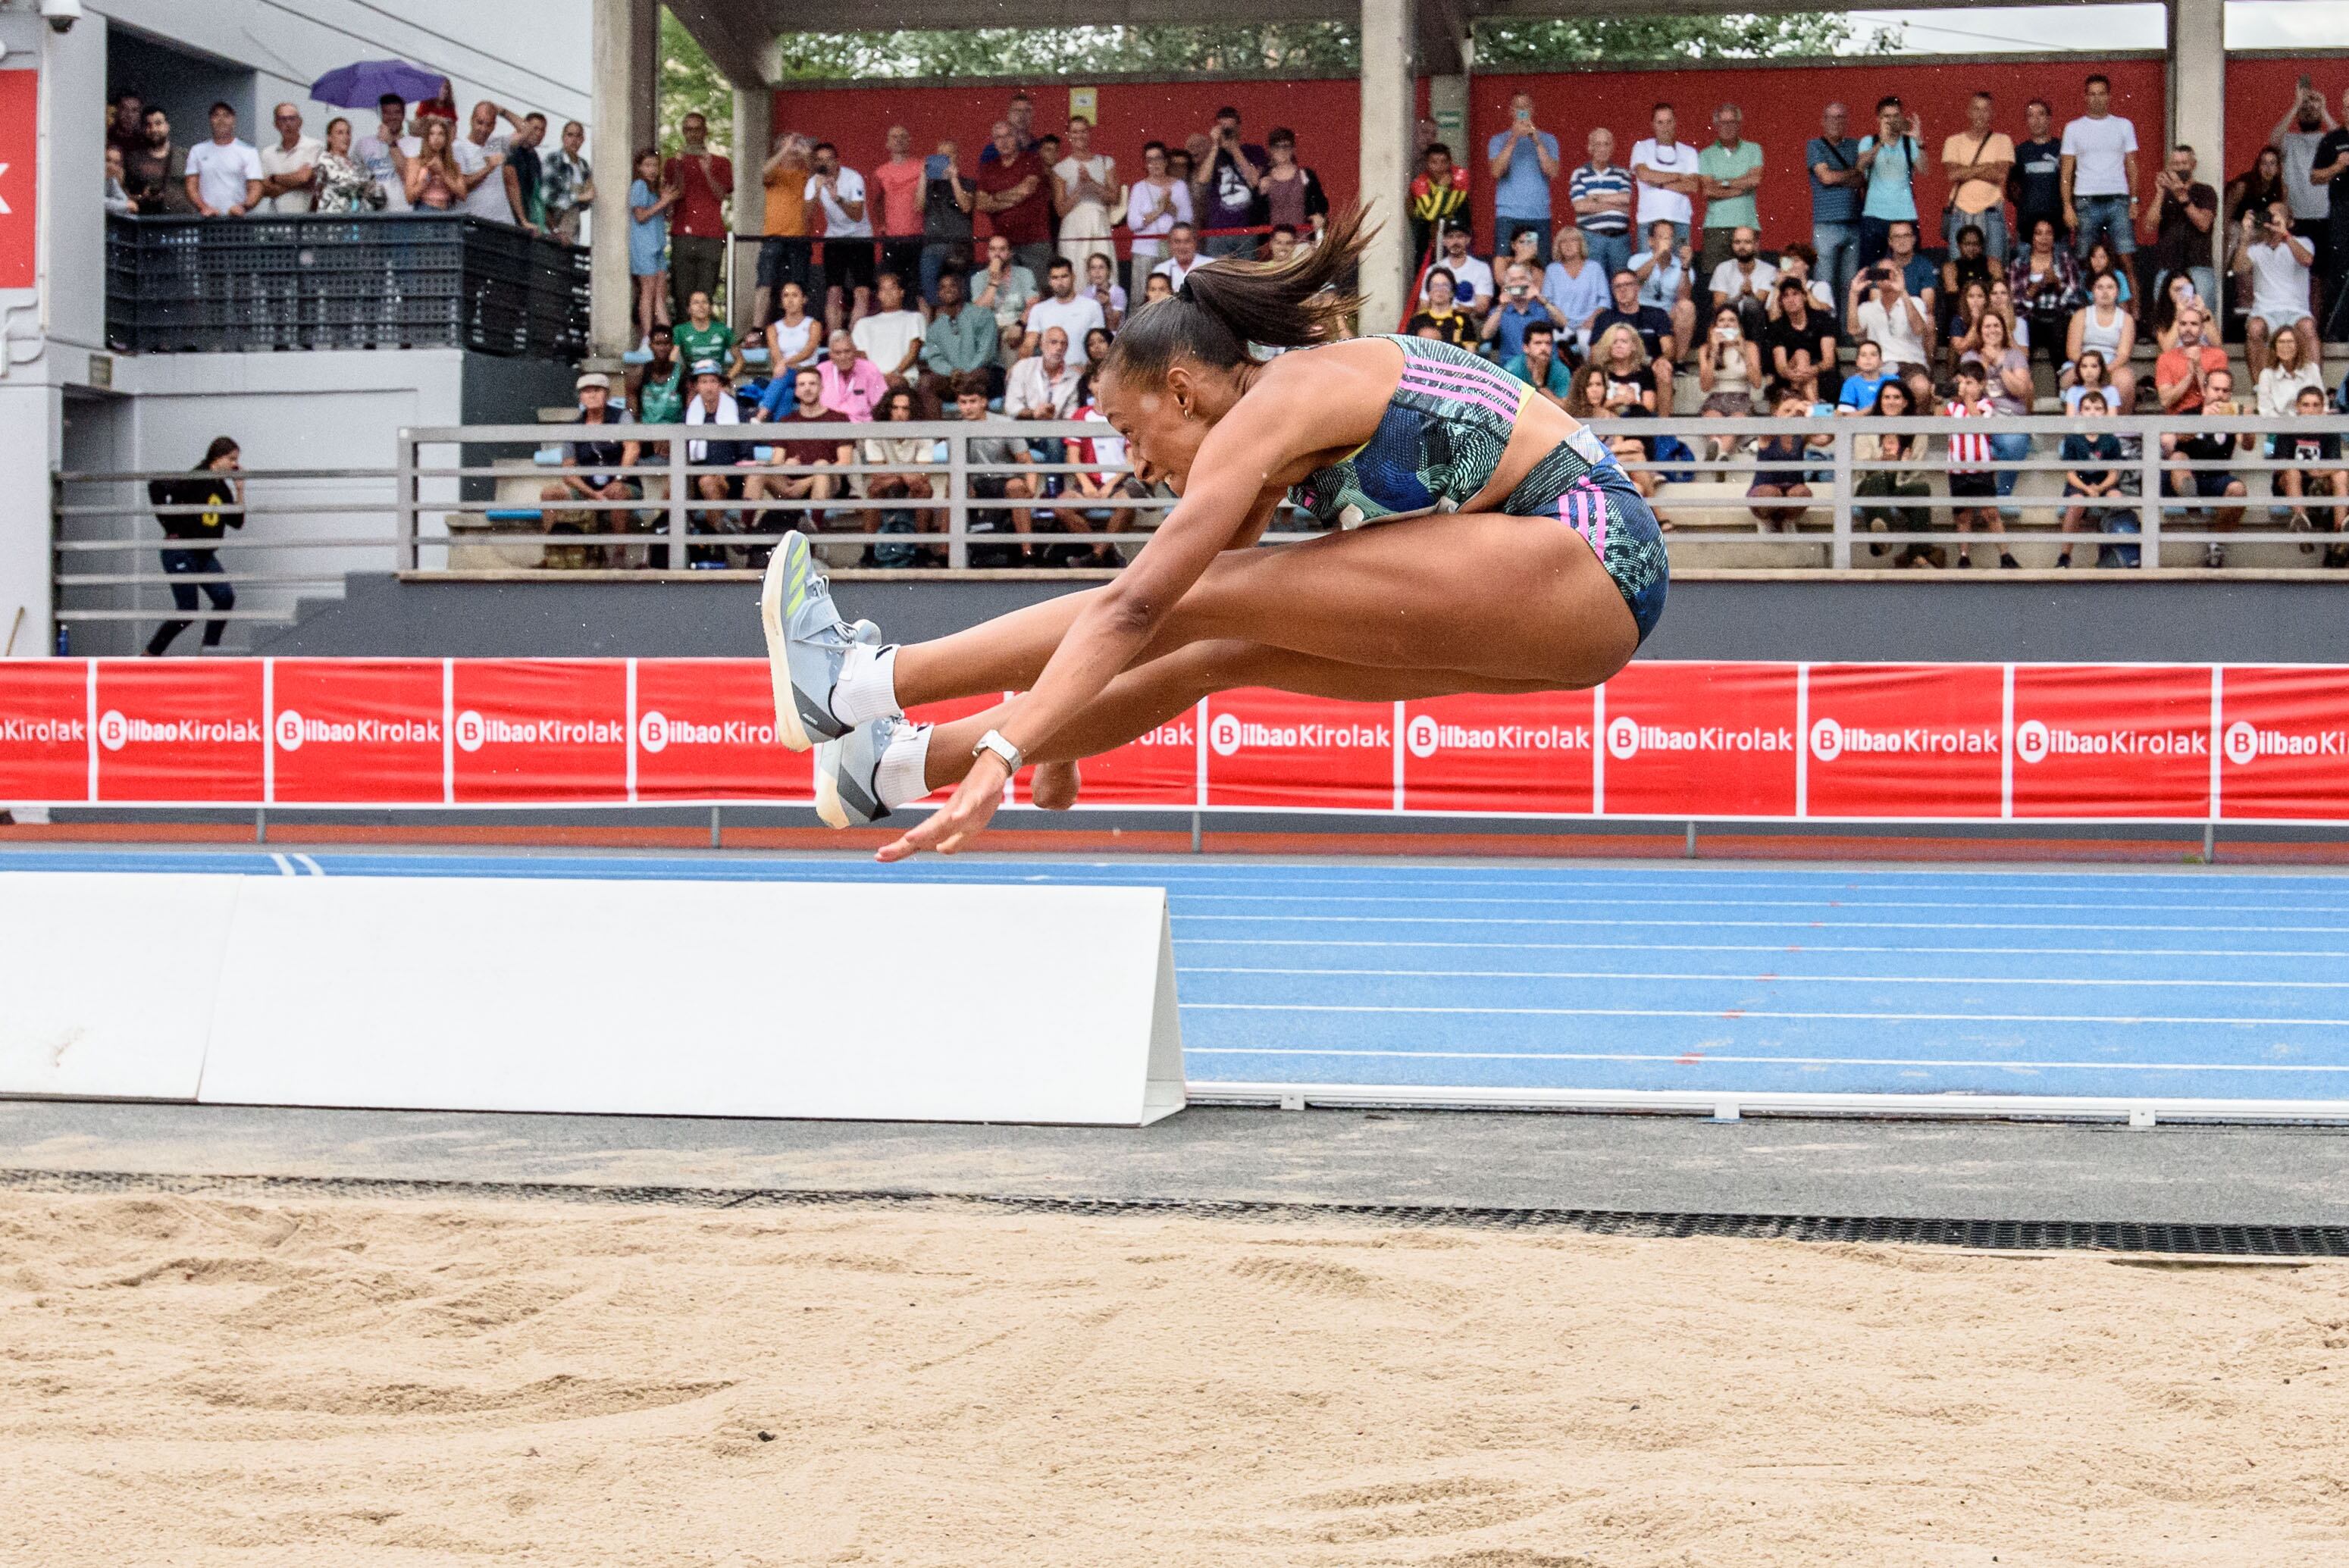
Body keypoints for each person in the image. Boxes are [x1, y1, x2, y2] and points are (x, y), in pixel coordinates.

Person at [755, 211, 1668, 853]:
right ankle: (895, 767)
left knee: (1200, 601)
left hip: (1589, 548)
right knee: (1219, 649)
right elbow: (1158, 637)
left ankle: (853, 683)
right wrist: (1055, 738)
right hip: (1574, 617)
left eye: (1130, 432)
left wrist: (1012, 747)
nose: (1137, 466)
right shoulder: (1272, 462)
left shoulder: (1287, 398)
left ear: (1184, 391)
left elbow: (1140, 601)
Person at [143, 437, 243, 657]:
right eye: (231, 459)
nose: (235, 465)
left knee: (225, 598)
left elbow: (237, 522)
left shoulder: (221, 488)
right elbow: (156, 486)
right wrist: (169, 524)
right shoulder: (196, 478)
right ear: (217, 459)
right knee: (188, 609)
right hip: (182, 550)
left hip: (203, 554)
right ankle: (150, 654)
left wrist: (240, 490)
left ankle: (209, 653)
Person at [539, 373, 640, 569]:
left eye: (597, 390)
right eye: (586, 391)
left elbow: (632, 448)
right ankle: (552, 553)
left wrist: (619, 478)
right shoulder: (574, 427)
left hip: (622, 483)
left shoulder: (621, 417)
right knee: (550, 493)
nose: (592, 395)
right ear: (580, 398)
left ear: (607, 395)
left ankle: (619, 554)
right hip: (587, 487)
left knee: (617, 493)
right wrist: (591, 493)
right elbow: (568, 470)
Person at [750, 365, 851, 545]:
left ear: (821, 388)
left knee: (822, 465)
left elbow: (845, 462)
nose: (807, 388)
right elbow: (776, 462)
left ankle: (814, 527)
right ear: (796, 390)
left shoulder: (838, 419)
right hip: (791, 484)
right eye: (802, 384)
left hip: (827, 483)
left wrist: (808, 480)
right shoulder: (786, 422)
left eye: (812, 384)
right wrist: (786, 466)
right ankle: (745, 532)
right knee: (758, 471)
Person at [2162, 365, 2251, 566]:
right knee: (2178, 457)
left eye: (2225, 391)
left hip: (2215, 479)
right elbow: (2181, 437)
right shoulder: (2189, 414)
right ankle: (2191, 501)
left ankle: (2216, 545)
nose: (2220, 395)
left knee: (2238, 490)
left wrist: (2247, 424)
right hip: (2182, 478)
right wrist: (2204, 419)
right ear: (2205, 390)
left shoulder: (2233, 415)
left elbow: (2248, 445)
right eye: (2215, 389)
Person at [1943, 365, 2019, 568]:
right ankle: (1964, 556)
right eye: (1962, 383)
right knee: (1963, 515)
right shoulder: (1951, 408)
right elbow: (1938, 418)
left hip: (1981, 469)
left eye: (1970, 383)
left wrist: (1967, 398)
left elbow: (1979, 422)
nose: (1965, 387)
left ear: (1981, 385)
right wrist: (1938, 397)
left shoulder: (1986, 405)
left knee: (1991, 513)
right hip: (1958, 470)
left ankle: (2005, 555)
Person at [1854, 379, 1934, 563]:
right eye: (1886, 397)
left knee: (1922, 489)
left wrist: (1900, 465)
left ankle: (1917, 554)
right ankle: (1885, 538)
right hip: (1871, 483)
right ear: (1880, 401)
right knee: (1879, 477)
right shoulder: (1867, 427)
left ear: (1905, 402)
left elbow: (1916, 469)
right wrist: (1882, 462)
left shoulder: (1918, 431)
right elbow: (1861, 464)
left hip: (1901, 482)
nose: (1891, 402)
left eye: (1896, 397)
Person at [2062, 75, 2139, 263]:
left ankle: (2133, 294)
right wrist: (2067, 206)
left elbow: (2132, 166)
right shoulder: (2073, 128)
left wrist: (2135, 200)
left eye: (2101, 94)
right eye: (2092, 94)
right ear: (2085, 97)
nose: (2097, 98)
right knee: (2086, 261)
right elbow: (2066, 172)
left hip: (2118, 200)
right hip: (2085, 201)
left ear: (2109, 96)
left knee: (2126, 259)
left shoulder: (2124, 126)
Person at [2235, 199, 2316, 377]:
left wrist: (2285, 235)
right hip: (2264, 312)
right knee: (2255, 328)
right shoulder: (2256, 248)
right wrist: (2245, 239)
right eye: (2269, 215)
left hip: (2296, 311)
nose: (2272, 219)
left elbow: (2307, 260)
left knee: (2308, 327)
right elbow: (2239, 269)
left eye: (2277, 215)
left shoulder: (2302, 242)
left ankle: (2314, 385)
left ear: (2290, 222)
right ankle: (2260, 387)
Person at [664, 112, 733, 320]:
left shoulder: (721, 162)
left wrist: (707, 170)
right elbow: (677, 193)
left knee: (706, 292)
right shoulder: (672, 162)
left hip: (711, 233)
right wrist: (678, 166)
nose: (692, 134)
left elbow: (722, 195)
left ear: (705, 131)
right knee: (682, 291)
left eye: (696, 129)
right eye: (687, 129)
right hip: (683, 233)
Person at [1963, 308, 2034, 510]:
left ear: (2004, 329)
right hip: (1980, 417)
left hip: (2010, 419)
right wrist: (1984, 365)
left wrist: (2000, 365)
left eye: (1997, 325)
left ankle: (2002, 495)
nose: (1992, 330)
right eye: (1987, 326)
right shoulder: (1970, 356)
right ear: (1980, 331)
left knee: (2015, 443)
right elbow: (1971, 393)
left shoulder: (2015, 356)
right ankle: (1979, 500)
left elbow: (2020, 391)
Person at [2140, 143, 2218, 319]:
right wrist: (2160, 193)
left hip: (2199, 264)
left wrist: (2183, 198)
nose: (2180, 167)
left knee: (2204, 318)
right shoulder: (2164, 194)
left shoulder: (2205, 191)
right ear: (2169, 166)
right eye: (2176, 164)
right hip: (2167, 264)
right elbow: (2148, 226)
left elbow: (2204, 224)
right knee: (2165, 319)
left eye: (2184, 163)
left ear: (2193, 165)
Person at [2275, 384, 2349, 564]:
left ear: (2322, 407)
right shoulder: (2288, 430)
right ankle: (2302, 528)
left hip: (2321, 485)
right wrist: (2307, 468)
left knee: (2341, 475)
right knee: (2292, 472)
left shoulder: (2329, 433)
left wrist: (2319, 471)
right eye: (2306, 405)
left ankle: (2340, 534)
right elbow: (2281, 465)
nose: (2311, 410)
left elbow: (2335, 465)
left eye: (2316, 405)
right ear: (2297, 408)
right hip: (2292, 484)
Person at [2055, 387, 2126, 568]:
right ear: (2080, 412)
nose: (2092, 413)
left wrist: (2100, 488)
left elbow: (2113, 473)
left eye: (2097, 409)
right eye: (2087, 409)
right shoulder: (2073, 439)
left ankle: (2111, 554)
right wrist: (2088, 489)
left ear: (2105, 412)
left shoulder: (2111, 440)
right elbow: (2070, 474)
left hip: (2104, 483)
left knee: (2116, 499)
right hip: (2081, 483)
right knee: (2076, 503)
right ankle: (2064, 556)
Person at [1487, 92, 1561, 265]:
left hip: (1539, 214)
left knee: (1539, 266)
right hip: (1508, 214)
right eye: (1518, 107)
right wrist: (1513, 138)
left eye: (1526, 107)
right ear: (1510, 111)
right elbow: (1497, 171)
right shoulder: (1498, 140)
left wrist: (1536, 141)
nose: (1522, 111)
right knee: (1505, 266)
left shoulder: (1548, 140)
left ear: (1532, 110)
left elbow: (1552, 172)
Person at [807, 140, 874, 330]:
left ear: (837, 162)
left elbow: (857, 215)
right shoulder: (813, 182)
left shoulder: (854, 178)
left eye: (829, 159)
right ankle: (836, 339)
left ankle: (854, 338)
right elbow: (807, 217)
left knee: (862, 292)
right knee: (833, 292)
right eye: (820, 160)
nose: (825, 164)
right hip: (834, 239)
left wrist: (838, 199)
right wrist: (818, 190)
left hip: (861, 237)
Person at [1940, 91, 2014, 263]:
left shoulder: (2003, 140)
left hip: (1992, 211)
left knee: (1995, 267)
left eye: (1985, 110)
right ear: (1968, 112)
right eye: (1976, 109)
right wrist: (1987, 167)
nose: (1980, 114)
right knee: (1959, 266)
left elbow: (2000, 175)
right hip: (1960, 211)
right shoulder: (1953, 141)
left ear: (1992, 113)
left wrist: (1966, 170)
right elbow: (1953, 174)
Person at [975, 119, 1053, 280]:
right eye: (998, 137)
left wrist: (995, 197)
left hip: (1035, 242)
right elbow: (981, 203)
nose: (1003, 141)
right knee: (1008, 296)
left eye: (1008, 135)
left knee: (1037, 294)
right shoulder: (987, 168)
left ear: (1017, 137)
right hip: (1003, 245)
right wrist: (1013, 197)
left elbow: (1026, 190)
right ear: (993, 142)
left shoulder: (1032, 159)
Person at [1590, 269, 1678, 406]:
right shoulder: (1604, 319)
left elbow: (1669, 348)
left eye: (1628, 285)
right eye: (1618, 286)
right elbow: (1595, 354)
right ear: (1613, 291)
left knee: (1664, 368)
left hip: (1649, 365)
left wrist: (1661, 360)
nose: (1623, 289)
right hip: (1614, 366)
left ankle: (1663, 424)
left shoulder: (1656, 314)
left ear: (1637, 287)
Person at [756, 132, 819, 325]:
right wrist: (785, 149)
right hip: (773, 237)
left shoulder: (804, 173)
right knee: (765, 284)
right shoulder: (775, 173)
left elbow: (817, 172)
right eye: (787, 146)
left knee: (798, 286)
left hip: (799, 238)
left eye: (794, 147)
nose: (792, 150)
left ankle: (797, 326)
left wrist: (805, 152)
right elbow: (764, 172)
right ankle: (756, 328)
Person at [1806, 102, 1864, 311]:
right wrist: (1852, 172)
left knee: (1850, 286)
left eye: (1841, 118)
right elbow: (1825, 177)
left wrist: (1839, 175)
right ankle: (1827, 337)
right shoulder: (1815, 145)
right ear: (1823, 121)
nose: (1836, 122)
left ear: (1847, 121)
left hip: (1853, 223)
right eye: (1831, 118)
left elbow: (1861, 181)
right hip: (1825, 224)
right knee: (1824, 285)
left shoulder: (1856, 145)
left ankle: (1847, 337)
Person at [1696, 104, 1764, 279]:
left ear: (1739, 123)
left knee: (1750, 281)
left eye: (1732, 122)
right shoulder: (1706, 155)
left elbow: (1755, 180)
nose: (1727, 127)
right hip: (1715, 227)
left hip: (1747, 224)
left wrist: (1723, 183)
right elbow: (1708, 190)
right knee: (1716, 282)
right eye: (1723, 122)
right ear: (1716, 125)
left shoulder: (1754, 149)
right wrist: (1741, 187)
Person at [1856, 96, 1922, 268]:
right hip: (1875, 215)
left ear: (1901, 118)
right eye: (1887, 116)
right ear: (1878, 119)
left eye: (1896, 116)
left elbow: (1924, 170)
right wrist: (1882, 142)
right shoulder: (1869, 141)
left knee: (1909, 267)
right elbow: (1861, 166)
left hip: (1905, 213)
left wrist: (1919, 141)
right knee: (1872, 270)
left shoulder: (1909, 143)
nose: (1892, 120)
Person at [918, 271, 1001, 407]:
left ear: (961, 289)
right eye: (943, 287)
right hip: (952, 377)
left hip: (983, 373)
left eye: (952, 286)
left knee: (977, 376)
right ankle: (933, 429)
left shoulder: (982, 315)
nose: (948, 290)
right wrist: (952, 372)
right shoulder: (935, 328)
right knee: (926, 383)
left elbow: (986, 353)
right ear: (938, 293)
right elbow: (935, 359)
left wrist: (967, 372)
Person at [2009, 218, 2082, 369]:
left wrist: (2057, 284)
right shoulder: (2019, 264)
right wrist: (2033, 290)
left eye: (2049, 233)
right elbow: (2015, 303)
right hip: (2030, 317)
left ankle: (2063, 388)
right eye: (2039, 233)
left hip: (2058, 316)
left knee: (2060, 334)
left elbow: (2075, 297)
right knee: (2020, 329)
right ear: (2032, 237)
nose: (2044, 238)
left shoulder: (2066, 261)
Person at [1196, 107, 1267, 259]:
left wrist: (1234, 149)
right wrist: (1216, 145)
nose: (1227, 132)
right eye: (1224, 128)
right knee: (1217, 278)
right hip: (1218, 230)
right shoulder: (1213, 154)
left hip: (1246, 230)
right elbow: (1202, 179)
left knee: (1246, 278)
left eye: (1231, 128)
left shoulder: (1254, 151)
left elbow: (1254, 181)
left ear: (1239, 128)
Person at [1564, 127, 1634, 283]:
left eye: (1607, 144)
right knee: (1593, 285)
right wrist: (1614, 205)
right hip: (1591, 238)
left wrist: (1596, 198)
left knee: (1622, 284)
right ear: (1590, 148)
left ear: (1612, 147)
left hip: (1619, 239)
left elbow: (1626, 200)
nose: (1602, 149)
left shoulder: (1622, 174)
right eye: (1598, 144)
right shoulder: (1579, 173)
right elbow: (1581, 207)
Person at [1051, 116, 1120, 274]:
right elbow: (1060, 210)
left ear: (1089, 133)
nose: (1079, 136)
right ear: (1068, 135)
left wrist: (1091, 183)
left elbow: (1115, 198)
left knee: (1103, 272)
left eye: (1083, 131)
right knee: (1076, 272)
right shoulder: (1061, 169)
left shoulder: (1105, 162)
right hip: (1073, 227)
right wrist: (1080, 188)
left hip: (1099, 223)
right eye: (1075, 132)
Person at [1125, 142, 1192, 302]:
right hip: (1144, 252)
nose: (1154, 164)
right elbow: (1133, 223)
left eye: (1158, 158)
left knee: (1174, 296)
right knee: (1141, 298)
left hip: (1172, 250)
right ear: (1145, 164)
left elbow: (1187, 219)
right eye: (1150, 160)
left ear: (1166, 161)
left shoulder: (1180, 186)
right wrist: (1159, 210)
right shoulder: (1139, 188)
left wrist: (1169, 207)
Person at [2064, 270, 2138, 410]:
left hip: (2112, 364)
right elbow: (2072, 351)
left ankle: (2118, 429)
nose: (2105, 292)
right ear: (2092, 292)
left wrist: (2103, 370)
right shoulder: (2081, 315)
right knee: (2071, 378)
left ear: (2117, 292)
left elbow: (2123, 354)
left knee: (2126, 379)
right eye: (2100, 287)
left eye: (2110, 287)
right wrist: (2090, 367)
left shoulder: (2126, 319)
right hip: (2083, 362)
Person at [1630, 103, 1701, 250]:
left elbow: (1692, 186)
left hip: (1680, 221)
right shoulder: (1641, 148)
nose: (1665, 127)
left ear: (1675, 123)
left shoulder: (1689, 152)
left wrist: (1659, 183)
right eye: (1660, 122)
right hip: (1649, 221)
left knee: (1681, 267)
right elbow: (1644, 174)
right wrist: (1679, 176)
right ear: (1653, 125)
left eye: (1669, 122)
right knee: (1648, 269)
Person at [1746, 387, 1817, 532]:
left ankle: (1788, 521)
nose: (1794, 415)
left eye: (1798, 412)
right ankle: (1764, 521)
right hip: (1764, 492)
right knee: (1770, 494)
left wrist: (1815, 409)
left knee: (1803, 493)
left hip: (1791, 490)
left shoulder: (1802, 435)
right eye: (1786, 410)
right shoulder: (1768, 433)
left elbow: (1829, 428)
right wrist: (1795, 412)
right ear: (1775, 412)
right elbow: (1775, 429)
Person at [1696, 305, 1760, 462]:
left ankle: (1719, 451)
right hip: (1716, 397)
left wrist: (1743, 353)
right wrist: (1715, 352)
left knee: (1735, 421)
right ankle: (1720, 452)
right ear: (1715, 326)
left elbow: (1757, 383)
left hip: (1741, 398)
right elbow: (1705, 387)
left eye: (1732, 320)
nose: (1726, 324)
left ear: (1739, 325)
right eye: (1722, 320)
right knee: (1711, 417)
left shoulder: (1750, 347)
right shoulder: (1705, 349)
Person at [627, 149, 676, 343]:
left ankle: (665, 337)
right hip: (643, 245)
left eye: (655, 165)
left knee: (660, 296)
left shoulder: (655, 189)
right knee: (648, 292)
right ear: (639, 167)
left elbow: (667, 216)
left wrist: (667, 201)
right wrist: (663, 201)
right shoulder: (639, 185)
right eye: (647, 165)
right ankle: (647, 338)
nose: (652, 170)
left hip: (657, 245)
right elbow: (640, 216)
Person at [870, 124, 927, 290]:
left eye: (903, 136)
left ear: (910, 141)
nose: (899, 140)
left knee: (918, 289)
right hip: (892, 239)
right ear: (887, 143)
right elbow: (877, 202)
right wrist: (882, 225)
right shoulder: (880, 172)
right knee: (893, 286)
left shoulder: (922, 166)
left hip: (919, 236)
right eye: (894, 137)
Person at [1629, 219, 1697, 355]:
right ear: (1651, 241)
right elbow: (1634, 283)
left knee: (1687, 307)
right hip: (1641, 312)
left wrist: (1685, 267)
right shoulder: (1636, 260)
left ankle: (1678, 362)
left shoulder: (1682, 265)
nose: (1666, 241)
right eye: (1661, 237)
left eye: (1670, 237)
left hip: (1667, 314)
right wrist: (1657, 256)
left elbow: (1684, 298)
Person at [852, 271, 926, 396]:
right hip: (872, 377)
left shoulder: (914, 318)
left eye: (892, 288)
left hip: (902, 376)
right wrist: (877, 376)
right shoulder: (864, 323)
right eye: (883, 289)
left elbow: (913, 353)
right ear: (879, 295)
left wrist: (894, 374)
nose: (888, 293)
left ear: (901, 292)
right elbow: (861, 356)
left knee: (896, 384)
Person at [972, 233, 1040, 366]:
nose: (997, 254)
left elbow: (1033, 305)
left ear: (1010, 253)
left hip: (1016, 326)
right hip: (990, 329)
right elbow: (979, 312)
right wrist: (993, 282)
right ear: (987, 253)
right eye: (993, 249)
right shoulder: (978, 278)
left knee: (1011, 344)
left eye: (1002, 249)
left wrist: (1019, 325)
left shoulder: (1025, 274)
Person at [183, 102, 262, 218]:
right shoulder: (197, 151)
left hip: (238, 220)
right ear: (211, 120)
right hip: (207, 220)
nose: (221, 120)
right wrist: (204, 208)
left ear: (234, 120)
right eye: (216, 115)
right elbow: (191, 186)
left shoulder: (249, 152)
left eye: (226, 116)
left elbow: (256, 187)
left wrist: (243, 207)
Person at [2009, 98, 2066, 251]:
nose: (2036, 120)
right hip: (2027, 228)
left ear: (2049, 118)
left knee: (2061, 272)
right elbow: (2012, 189)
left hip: (2058, 228)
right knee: (2025, 274)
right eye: (2031, 115)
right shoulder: (2020, 152)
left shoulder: (2063, 149)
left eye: (2041, 114)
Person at [1765, 277, 1836, 395]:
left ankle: (1798, 396)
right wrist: (1791, 373)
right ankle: (1812, 407)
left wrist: (1812, 370)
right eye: (1785, 296)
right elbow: (1781, 366)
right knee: (1801, 354)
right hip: (1789, 376)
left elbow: (1829, 360)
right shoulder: (1777, 327)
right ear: (1781, 302)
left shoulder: (1822, 320)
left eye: (1795, 294)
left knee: (1805, 364)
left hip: (1821, 375)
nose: (1791, 300)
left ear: (1804, 297)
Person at [1258, 127, 1327, 249]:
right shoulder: (1264, 179)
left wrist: (1317, 214)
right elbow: (1256, 212)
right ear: (1271, 150)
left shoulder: (1306, 175)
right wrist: (1260, 193)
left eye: (1286, 146)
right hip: (1275, 244)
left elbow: (1322, 202)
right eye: (1277, 147)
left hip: (1303, 240)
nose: (1282, 151)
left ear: (1293, 149)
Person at [1542, 228, 1608, 352]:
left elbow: (1604, 302)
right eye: (1563, 242)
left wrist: (1591, 321)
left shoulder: (1595, 268)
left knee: (1587, 341)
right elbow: (1547, 302)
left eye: (1573, 241)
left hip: (1589, 325)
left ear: (1581, 244)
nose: (1568, 245)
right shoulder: (1552, 270)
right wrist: (1562, 323)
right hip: (1561, 326)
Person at [1026, 256, 1107, 357]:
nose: (1060, 282)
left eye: (1064, 276)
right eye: (1055, 278)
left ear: (1073, 277)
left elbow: (1099, 346)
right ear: (1049, 281)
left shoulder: (1093, 306)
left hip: (1083, 370)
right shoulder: (1038, 310)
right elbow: (1028, 346)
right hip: (1050, 370)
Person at [2155, 303, 2228, 414]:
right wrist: (2188, 377)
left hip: (2211, 417)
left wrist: (2198, 368)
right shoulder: (2165, 359)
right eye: (2183, 324)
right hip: (2178, 420)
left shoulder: (2218, 355)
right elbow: (2165, 401)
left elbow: (2218, 397)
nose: (2188, 329)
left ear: (2202, 329)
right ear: (2178, 327)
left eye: (2194, 324)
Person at [1408, 142, 1471, 268]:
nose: (1439, 167)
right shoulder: (1419, 182)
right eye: (1434, 162)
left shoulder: (1460, 175)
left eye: (1443, 162)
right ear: (1427, 164)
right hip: (1427, 228)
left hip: (1453, 221)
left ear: (1450, 163)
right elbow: (1431, 216)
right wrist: (1442, 188)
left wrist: (1439, 192)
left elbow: (1448, 208)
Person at [458, 100, 521, 227]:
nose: (484, 129)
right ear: (471, 120)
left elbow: (527, 131)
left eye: (489, 124)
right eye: (480, 122)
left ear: (494, 125)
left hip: (503, 222)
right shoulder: (459, 147)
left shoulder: (496, 143)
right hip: (474, 224)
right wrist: (490, 167)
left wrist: (502, 111)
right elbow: (462, 187)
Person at [1707, 225, 1777, 340]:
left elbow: (1759, 305)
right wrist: (1739, 296)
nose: (1742, 247)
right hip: (1729, 322)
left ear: (1756, 245)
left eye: (1747, 242)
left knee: (1750, 304)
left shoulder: (1768, 270)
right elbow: (1718, 305)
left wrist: (1750, 294)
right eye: (1737, 242)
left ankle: (1753, 349)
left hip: (1757, 325)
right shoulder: (1723, 268)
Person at [1005, 324, 1084, 421]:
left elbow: (1071, 415)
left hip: (1057, 432)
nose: (1059, 347)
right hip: (1023, 429)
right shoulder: (1022, 368)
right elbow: (1012, 407)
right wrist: (1034, 413)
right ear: (1042, 346)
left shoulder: (1075, 378)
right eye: (1053, 342)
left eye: (1064, 344)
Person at [124, 107, 195, 215]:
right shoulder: (133, 159)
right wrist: (141, 198)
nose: (153, 129)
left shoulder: (187, 156)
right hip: (148, 221)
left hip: (184, 220)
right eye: (148, 125)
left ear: (167, 126)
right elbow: (123, 192)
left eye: (158, 124)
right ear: (143, 129)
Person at [255, 103, 321, 214]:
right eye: (283, 119)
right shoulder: (267, 153)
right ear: (276, 124)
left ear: (300, 122)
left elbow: (304, 178)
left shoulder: (314, 147)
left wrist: (274, 178)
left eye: (292, 119)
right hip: (277, 223)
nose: (288, 123)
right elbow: (264, 189)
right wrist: (298, 183)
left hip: (305, 221)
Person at [311, 118, 384, 214]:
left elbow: (379, 197)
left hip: (360, 223)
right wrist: (366, 188)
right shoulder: (324, 161)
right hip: (333, 223)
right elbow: (344, 185)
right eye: (340, 133)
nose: (346, 137)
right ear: (329, 138)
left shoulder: (358, 166)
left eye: (348, 133)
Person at [540, 120, 594, 245]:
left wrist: (585, 197)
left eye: (578, 136)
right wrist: (579, 196)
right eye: (570, 135)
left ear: (583, 139)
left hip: (571, 227)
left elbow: (585, 204)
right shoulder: (554, 159)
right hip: (552, 225)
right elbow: (546, 196)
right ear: (563, 137)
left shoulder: (583, 165)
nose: (574, 140)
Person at [816, 330, 890, 421]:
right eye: (838, 353)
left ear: (855, 351)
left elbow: (881, 404)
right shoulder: (821, 370)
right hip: (827, 426)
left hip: (860, 427)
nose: (843, 357)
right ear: (830, 355)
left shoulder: (870, 369)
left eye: (847, 351)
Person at [2255, 323, 2326, 417]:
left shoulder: (2312, 369)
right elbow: (2266, 411)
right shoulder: (2267, 375)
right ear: (2274, 348)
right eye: (2281, 342)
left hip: (2311, 424)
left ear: (2298, 346)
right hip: (2279, 427)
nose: (2286, 346)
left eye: (2290, 342)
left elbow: (2323, 402)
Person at [763, 279, 824, 384]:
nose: (790, 300)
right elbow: (776, 355)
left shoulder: (814, 325)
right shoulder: (773, 329)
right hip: (784, 372)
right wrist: (785, 365)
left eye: (795, 295)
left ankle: (765, 401)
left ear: (804, 299)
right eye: (786, 296)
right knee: (785, 386)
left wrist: (786, 362)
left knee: (781, 380)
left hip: (807, 372)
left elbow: (808, 352)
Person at [1502, 319, 1575, 405]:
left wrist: (1541, 386)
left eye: (1548, 343)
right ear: (1526, 348)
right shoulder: (1512, 370)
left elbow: (1565, 409)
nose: (1544, 348)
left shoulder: (1561, 370)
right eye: (1538, 343)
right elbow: (1507, 407)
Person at [672, 288, 739, 382]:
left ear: (710, 307)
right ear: (688, 309)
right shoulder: (680, 330)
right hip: (692, 382)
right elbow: (673, 360)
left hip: (717, 380)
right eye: (696, 303)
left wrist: (727, 379)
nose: (701, 306)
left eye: (705, 302)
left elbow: (740, 360)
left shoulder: (723, 330)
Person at [1591, 322, 1658, 414]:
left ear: (1633, 346)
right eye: (1614, 342)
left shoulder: (1645, 372)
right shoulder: (1599, 372)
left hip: (1637, 422)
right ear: (1608, 346)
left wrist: (1633, 400)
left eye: (1624, 341)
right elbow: (1593, 407)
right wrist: (1618, 400)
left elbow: (1649, 407)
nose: (1619, 346)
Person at [628, 321, 686, 427]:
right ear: (650, 345)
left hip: (675, 435)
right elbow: (633, 413)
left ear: (673, 346)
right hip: (646, 434)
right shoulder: (639, 374)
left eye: (666, 344)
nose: (662, 348)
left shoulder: (682, 373)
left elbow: (688, 409)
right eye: (658, 344)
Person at [1427, 225, 1495, 316]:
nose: (1455, 242)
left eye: (1460, 236)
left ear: (1468, 240)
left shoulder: (1481, 268)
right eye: (1450, 237)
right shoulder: (1433, 270)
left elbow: (1482, 308)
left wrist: (1455, 311)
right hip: (1439, 318)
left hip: (1470, 319)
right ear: (1444, 241)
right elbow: (1424, 304)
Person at [1406, 268, 1479, 349]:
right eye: (1434, 285)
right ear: (1428, 292)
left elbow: (1470, 351)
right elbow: (1409, 349)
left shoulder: (1463, 319)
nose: (1439, 290)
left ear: (1452, 292)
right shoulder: (1417, 319)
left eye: (1445, 285)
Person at [1836, 339, 1893, 414]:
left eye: (1873, 355)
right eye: (1863, 355)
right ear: (1857, 362)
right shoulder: (1851, 383)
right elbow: (1846, 417)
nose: (1868, 358)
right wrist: (1874, 407)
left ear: (1881, 362)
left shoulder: (1893, 380)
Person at [1151, 222, 1205, 295]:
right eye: (1177, 242)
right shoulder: (1161, 270)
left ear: (1195, 243)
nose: (1182, 247)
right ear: (1170, 244)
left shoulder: (1210, 265)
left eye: (1187, 241)